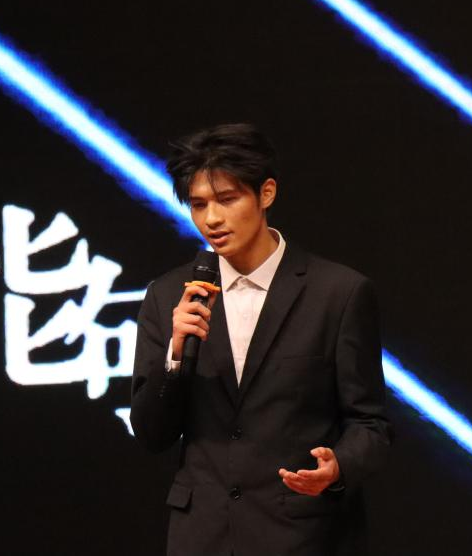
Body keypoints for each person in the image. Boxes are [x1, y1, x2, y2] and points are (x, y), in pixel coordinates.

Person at [130, 123, 391, 556]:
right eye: (198, 205)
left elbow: (371, 424)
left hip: (301, 536)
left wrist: (337, 466)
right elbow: (152, 433)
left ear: (266, 193)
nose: (212, 219)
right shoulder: (168, 295)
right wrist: (176, 354)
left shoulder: (338, 293)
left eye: (227, 199)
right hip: (203, 538)